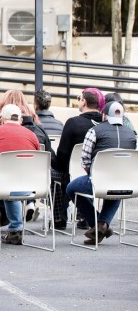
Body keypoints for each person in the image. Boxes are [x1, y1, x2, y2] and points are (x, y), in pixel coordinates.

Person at [66, 101, 137, 244]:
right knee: (118, 186)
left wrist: (92, 174)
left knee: (71, 188)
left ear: (104, 115)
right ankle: (103, 225)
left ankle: (97, 224)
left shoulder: (94, 131)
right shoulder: (133, 134)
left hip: (99, 181)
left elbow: (85, 161)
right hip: (127, 182)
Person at [0, 104, 41, 245]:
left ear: (2, 120)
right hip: (26, 186)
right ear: (21, 120)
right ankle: (16, 229)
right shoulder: (32, 136)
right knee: (13, 184)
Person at [51, 88, 104, 229]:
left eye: (79, 98)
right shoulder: (106, 125)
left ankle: (59, 218)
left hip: (74, 174)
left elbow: (62, 157)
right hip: (102, 175)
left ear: (84, 102)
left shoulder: (73, 123)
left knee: (56, 172)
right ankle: (86, 217)